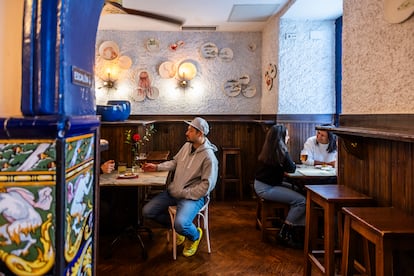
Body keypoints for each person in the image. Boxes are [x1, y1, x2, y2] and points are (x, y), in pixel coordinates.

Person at [142, 117, 218, 257]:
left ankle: (194, 236)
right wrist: (157, 167)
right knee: (147, 211)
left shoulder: (209, 157)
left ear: (200, 133)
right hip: (174, 191)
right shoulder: (187, 146)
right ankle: (177, 229)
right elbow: (174, 163)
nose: (186, 132)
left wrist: (185, 193)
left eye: (190, 130)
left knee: (181, 223)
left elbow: (207, 186)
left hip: (192, 197)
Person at [254, 124, 306, 248]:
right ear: (281, 137)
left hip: (262, 184)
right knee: (302, 201)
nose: (288, 137)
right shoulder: (281, 150)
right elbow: (292, 169)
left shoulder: (269, 148)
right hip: (267, 188)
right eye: (287, 135)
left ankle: (297, 229)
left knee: (299, 190)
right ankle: (284, 233)